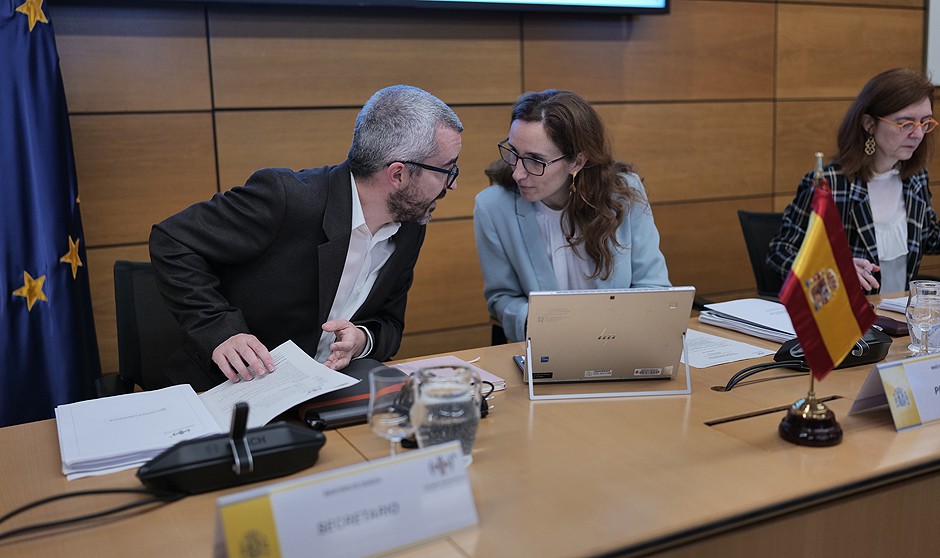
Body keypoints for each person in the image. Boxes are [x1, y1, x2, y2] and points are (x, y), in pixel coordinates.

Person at [150, 85, 463, 391]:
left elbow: (391, 326)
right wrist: (220, 331)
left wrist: (361, 340)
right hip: (226, 388)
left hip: (321, 392)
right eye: (447, 170)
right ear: (398, 174)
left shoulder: (410, 225)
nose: (452, 185)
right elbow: (172, 239)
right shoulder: (287, 198)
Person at [473, 89, 671, 343]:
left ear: (577, 162)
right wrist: (542, 324)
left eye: (535, 160)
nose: (518, 174)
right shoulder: (493, 207)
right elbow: (503, 298)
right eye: (513, 153)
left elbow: (653, 288)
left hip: (622, 345)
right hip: (544, 350)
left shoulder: (624, 193)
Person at [768, 68, 940, 295]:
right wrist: (833, 269)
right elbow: (780, 253)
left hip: (900, 320)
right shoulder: (830, 184)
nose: (918, 134)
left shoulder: (915, 179)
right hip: (847, 320)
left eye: (925, 123)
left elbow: (929, 239)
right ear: (869, 124)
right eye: (905, 123)